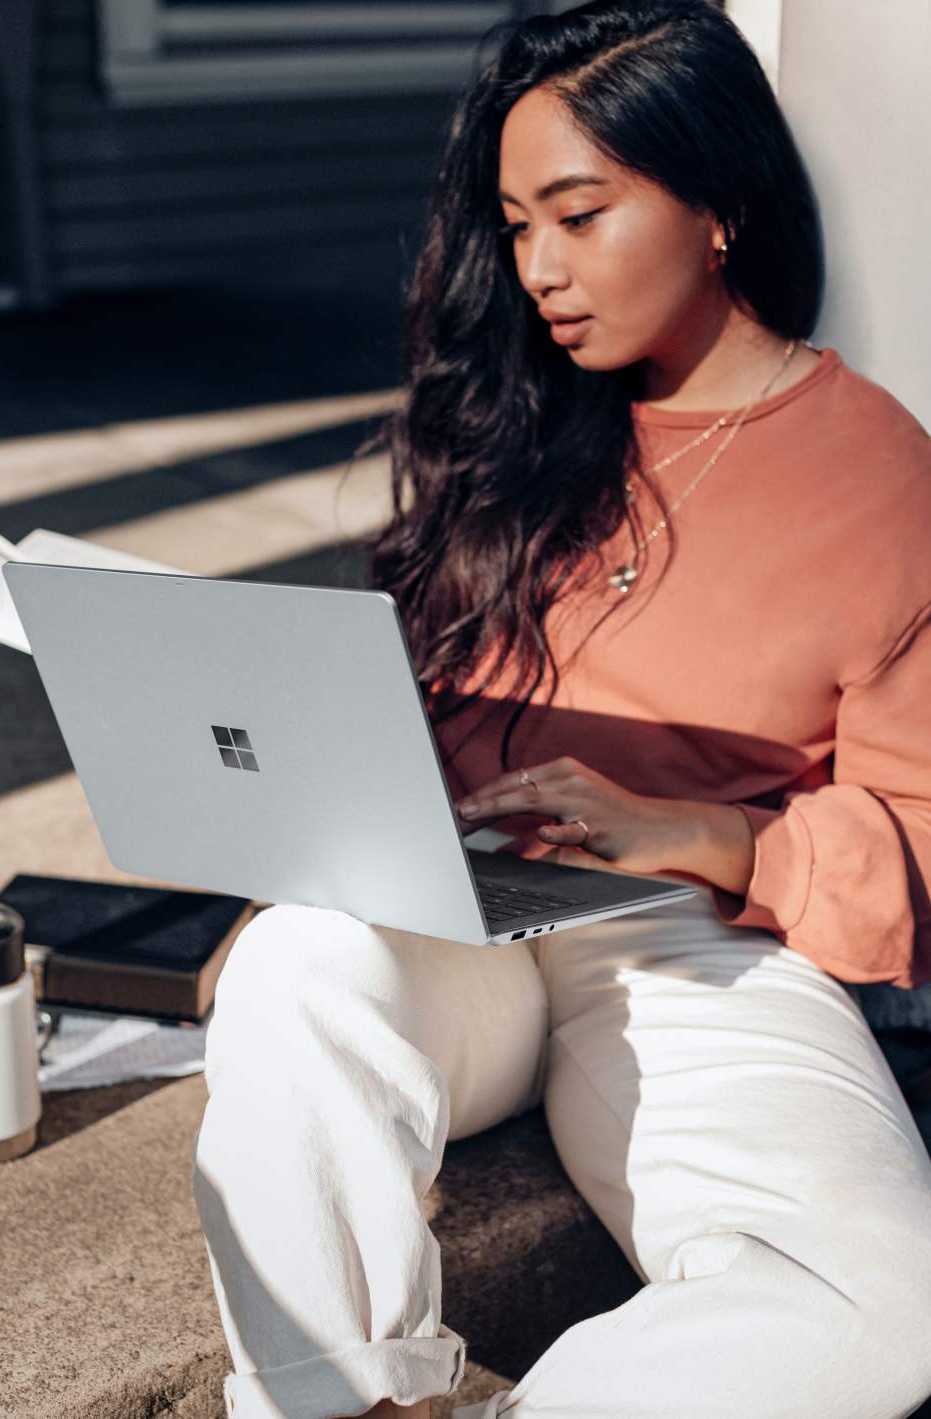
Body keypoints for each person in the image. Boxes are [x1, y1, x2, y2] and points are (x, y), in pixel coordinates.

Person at [192, 4, 931, 1417]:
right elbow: (405, 708)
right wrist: (306, 836)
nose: (537, 270)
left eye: (580, 218)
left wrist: (706, 833)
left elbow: (921, 836)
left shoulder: (884, 479)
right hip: (451, 900)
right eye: (517, 225)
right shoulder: (513, 423)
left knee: (882, 1308)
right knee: (296, 960)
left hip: (689, 938)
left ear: (718, 204)